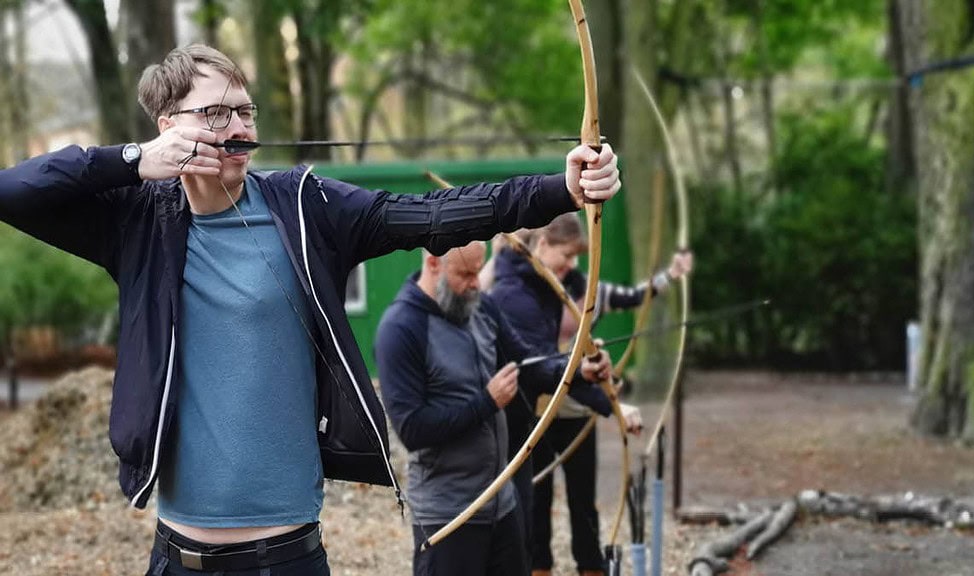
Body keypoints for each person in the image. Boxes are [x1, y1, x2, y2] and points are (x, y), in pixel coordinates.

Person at [0, 44, 622, 575]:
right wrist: (135, 161)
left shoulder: (306, 206)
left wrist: (557, 188)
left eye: (245, 111)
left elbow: (430, 215)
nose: (239, 127)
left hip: (291, 555)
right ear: (169, 125)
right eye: (216, 114)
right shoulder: (136, 221)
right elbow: (14, 191)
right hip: (177, 553)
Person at [375, 242, 616, 576]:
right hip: (448, 514)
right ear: (433, 264)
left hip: (501, 505)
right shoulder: (400, 329)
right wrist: (486, 403)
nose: (476, 282)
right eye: (465, 273)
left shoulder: (481, 307)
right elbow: (412, 430)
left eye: (479, 269)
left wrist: (578, 372)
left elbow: (528, 363)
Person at [489, 214, 690, 576]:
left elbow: (634, 296)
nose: (573, 264)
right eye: (567, 254)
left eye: (578, 256)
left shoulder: (580, 285)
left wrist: (671, 276)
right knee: (535, 500)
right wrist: (608, 398)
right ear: (543, 246)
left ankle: (590, 567)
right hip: (538, 411)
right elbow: (540, 364)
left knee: (582, 501)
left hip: (575, 408)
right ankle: (539, 567)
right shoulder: (520, 293)